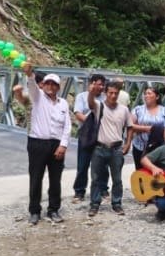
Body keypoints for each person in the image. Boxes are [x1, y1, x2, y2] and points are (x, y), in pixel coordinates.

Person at [19, 65, 70, 225]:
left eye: (53, 84)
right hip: (37, 143)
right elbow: (32, 85)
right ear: (44, 84)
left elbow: (67, 126)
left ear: (58, 87)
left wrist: (63, 145)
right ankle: (34, 211)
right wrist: (29, 74)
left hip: (56, 144)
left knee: (56, 179)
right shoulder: (38, 97)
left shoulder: (63, 104)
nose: (50, 86)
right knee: (36, 178)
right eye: (47, 83)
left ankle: (53, 210)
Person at [88, 79, 136, 217]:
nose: (113, 96)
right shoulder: (99, 106)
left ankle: (116, 203)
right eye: (110, 93)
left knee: (117, 179)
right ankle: (95, 204)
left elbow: (130, 127)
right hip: (99, 147)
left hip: (116, 148)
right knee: (96, 178)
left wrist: (127, 144)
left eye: (116, 93)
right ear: (105, 93)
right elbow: (90, 103)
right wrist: (91, 92)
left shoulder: (124, 109)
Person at [71, 73, 105, 203]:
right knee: (83, 164)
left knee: (101, 164)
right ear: (92, 83)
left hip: (101, 135)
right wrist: (91, 123)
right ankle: (79, 191)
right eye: (98, 84)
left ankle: (103, 189)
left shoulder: (105, 97)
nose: (101, 87)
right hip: (86, 134)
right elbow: (78, 113)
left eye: (103, 84)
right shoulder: (81, 97)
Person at [130, 86, 165, 173]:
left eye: (149, 93)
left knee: (157, 172)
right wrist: (147, 129)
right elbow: (130, 125)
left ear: (157, 97)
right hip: (140, 147)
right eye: (145, 94)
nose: (146, 96)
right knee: (140, 173)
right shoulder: (138, 110)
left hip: (158, 148)